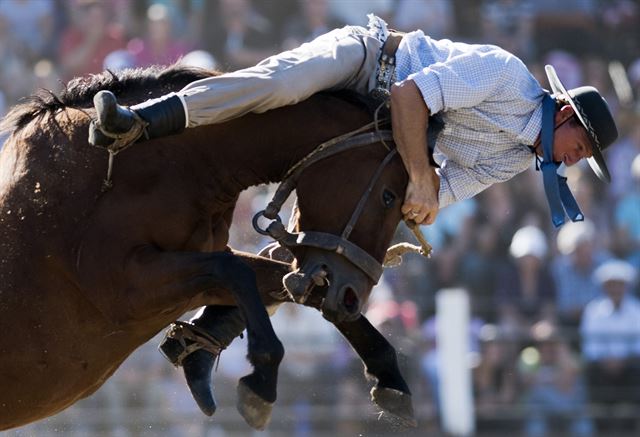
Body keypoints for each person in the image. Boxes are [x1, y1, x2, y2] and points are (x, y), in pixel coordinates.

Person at [88, 14, 619, 413]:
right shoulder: (506, 75)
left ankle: (210, 336)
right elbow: (410, 95)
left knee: (328, 250)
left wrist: (420, 197)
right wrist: (420, 180)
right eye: (583, 145)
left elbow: (435, 197)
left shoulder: (512, 160)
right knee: (278, 85)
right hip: (369, 67)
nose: (579, 158)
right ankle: (142, 119)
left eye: (585, 157)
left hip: (375, 140)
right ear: (566, 113)